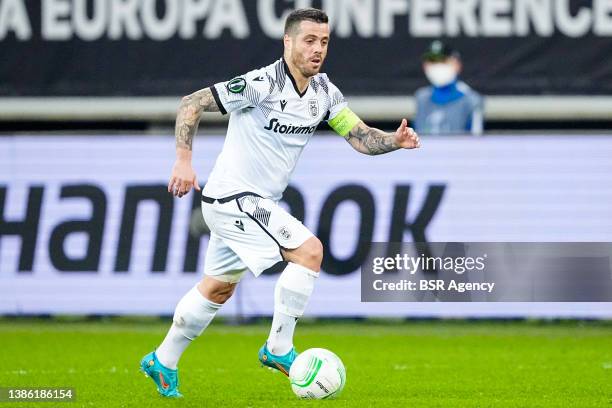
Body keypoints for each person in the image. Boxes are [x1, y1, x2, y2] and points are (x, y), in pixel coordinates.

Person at [140, 8, 420, 398]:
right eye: (309, 40)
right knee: (309, 251)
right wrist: (184, 161)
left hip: (254, 202)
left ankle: (162, 360)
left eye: (323, 41)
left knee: (218, 289)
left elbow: (359, 137)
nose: (318, 49)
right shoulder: (260, 83)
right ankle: (278, 349)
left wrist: (393, 140)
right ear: (287, 42)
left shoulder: (323, 93)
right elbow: (191, 103)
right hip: (231, 196)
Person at [413, 40, 483, 136]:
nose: (437, 66)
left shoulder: (472, 100)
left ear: (457, 64)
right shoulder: (421, 98)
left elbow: (477, 143)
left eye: (443, 61)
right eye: (432, 61)